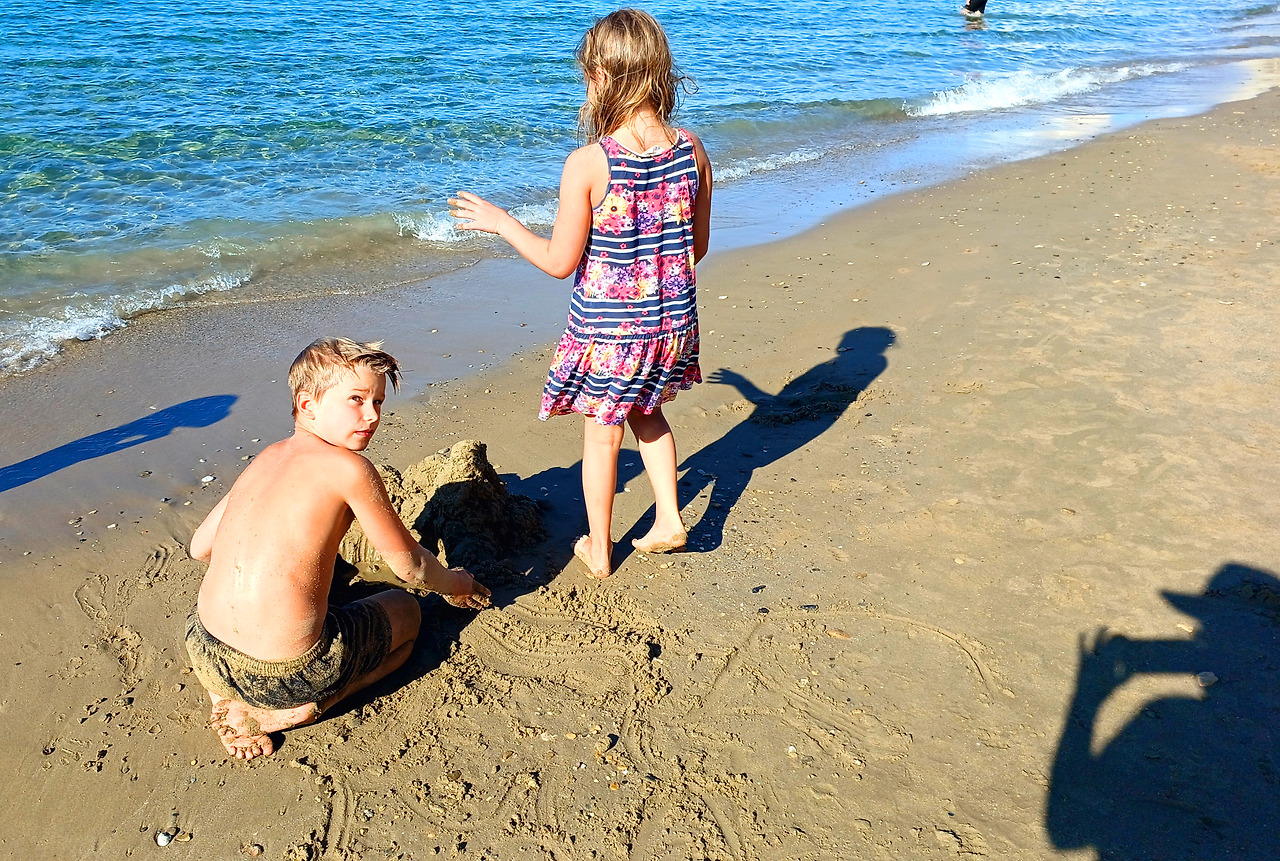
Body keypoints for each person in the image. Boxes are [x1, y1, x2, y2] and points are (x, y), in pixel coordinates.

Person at [448, 8, 713, 580]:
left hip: (611, 332)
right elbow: (698, 245)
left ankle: (599, 546)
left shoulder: (590, 163)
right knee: (649, 413)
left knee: (602, 436)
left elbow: (558, 262)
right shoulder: (692, 149)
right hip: (671, 323)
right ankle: (669, 518)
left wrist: (503, 223)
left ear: (603, 78)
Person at [185, 337, 490, 760]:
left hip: (204, 647)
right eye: (356, 400)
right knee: (407, 613)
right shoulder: (350, 468)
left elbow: (201, 547)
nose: (372, 415)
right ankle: (304, 708)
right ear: (307, 405)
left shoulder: (268, 456)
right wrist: (456, 583)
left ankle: (224, 695)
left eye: (378, 402)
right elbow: (410, 567)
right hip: (286, 676)